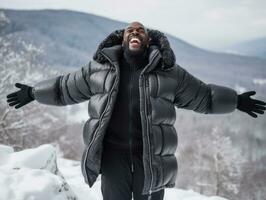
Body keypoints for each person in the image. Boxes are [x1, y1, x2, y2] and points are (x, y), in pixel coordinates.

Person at [6, 21, 266, 200]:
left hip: (151, 159)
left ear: (147, 39)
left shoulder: (168, 73)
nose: (135, 32)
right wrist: (32, 92)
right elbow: (64, 89)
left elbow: (205, 96)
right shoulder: (98, 70)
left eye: (140, 30)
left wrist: (236, 101)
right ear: (123, 38)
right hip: (112, 158)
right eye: (130, 30)